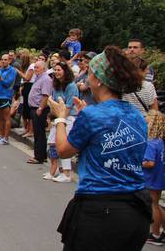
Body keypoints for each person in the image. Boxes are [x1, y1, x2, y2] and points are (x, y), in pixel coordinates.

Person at [49, 46, 150, 251]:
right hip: (137, 210)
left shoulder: (92, 116)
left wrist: (60, 117)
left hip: (99, 211)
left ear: (99, 81)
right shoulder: (137, 115)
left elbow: (64, 150)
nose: (87, 80)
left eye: (91, 74)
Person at [143, 113, 165, 246]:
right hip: (160, 176)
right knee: (159, 205)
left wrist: (139, 163)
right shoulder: (161, 142)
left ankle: (155, 234)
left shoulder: (151, 143)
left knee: (154, 205)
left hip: (151, 178)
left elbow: (150, 162)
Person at [27, 61, 53, 165]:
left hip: (39, 109)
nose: (35, 69)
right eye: (35, 67)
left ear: (43, 68)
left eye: (37, 67)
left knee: (39, 133)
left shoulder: (46, 79)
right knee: (38, 133)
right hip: (34, 107)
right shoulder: (38, 77)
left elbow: (45, 95)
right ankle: (41, 155)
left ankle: (39, 156)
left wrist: (40, 108)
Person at [0, 53, 17, 145]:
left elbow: (8, 83)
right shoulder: (0, 69)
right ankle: (1, 135)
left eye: (5, 59)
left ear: (9, 61)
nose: (3, 61)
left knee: (6, 117)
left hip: (6, 96)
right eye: (2, 59)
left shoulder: (12, 71)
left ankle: (6, 138)